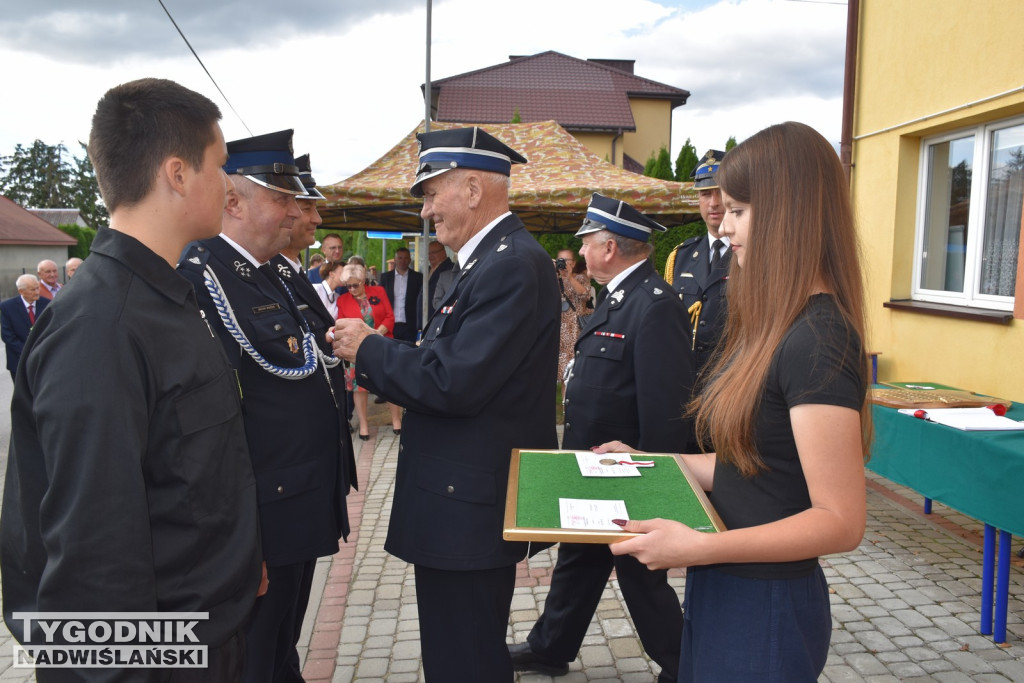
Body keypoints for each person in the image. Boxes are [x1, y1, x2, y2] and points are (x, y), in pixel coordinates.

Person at [1, 77, 262, 679]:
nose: (228, 187)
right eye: (220, 166)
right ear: (177, 173)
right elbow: (94, 549)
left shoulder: (162, 298)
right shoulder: (101, 326)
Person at [606, 122, 872, 682]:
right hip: (731, 583)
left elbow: (841, 520)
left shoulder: (819, 339)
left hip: (764, 603)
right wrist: (649, 462)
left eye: (738, 211)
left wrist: (696, 547)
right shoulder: (781, 327)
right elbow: (754, 468)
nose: (724, 229)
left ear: (788, 214)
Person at [332, 126, 559, 683]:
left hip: (470, 510)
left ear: (475, 189)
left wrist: (371, 348)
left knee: (466, 661)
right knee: (461, 652)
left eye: (433, 193)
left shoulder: (509, 264)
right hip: (462, 504)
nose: (428, 210)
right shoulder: (486, 263)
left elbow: (455, 380)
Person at [178, 129, 354, 683]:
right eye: (282, 199)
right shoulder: (200, 278)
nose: (295, 211)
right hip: (263, 509)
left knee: (281, 640)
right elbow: (209, 423)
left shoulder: (271, 272)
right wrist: (237, 534)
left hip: (297, 496)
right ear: (234, 201)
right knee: (254, 650)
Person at [511, 193, 692, 681]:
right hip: (593, 466)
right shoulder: (619, 299)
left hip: (625, 474)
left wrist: (655, 475)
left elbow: (666, 407)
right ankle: (550, 648)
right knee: (580, 556)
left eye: (587, 243)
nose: (583, 252)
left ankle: (684, 665)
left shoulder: (655, 306)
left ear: (609, 248)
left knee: (640, 574)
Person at [664, 149, 731, 451]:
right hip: (685, 396)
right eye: (705, 194)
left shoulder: (755, 257)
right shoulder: (681, 257)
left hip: (731, 395)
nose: (713, 203)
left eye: (720, 192)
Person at [336, 263, 402, 438]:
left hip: (381, 343)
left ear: (363, 281)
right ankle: (364, 426)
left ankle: (397, 421)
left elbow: (389, 316)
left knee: (389, 383)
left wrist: (375, 333)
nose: (351, 289)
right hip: (356, 350)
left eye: (355, 285)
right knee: (359, 388)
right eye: (348, 286)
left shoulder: (379, 292)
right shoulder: (342, 300)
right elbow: (342, 324)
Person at [554, 247, 590, 389]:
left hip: (576, 334)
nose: (562, 263)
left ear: (573, 263)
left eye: (566, 260)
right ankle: (565, 408)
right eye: (560, 260)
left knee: (576, 375)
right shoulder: (554, 279)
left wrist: (568, 277)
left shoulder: (580, 278)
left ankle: (574, 408)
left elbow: (585, 295)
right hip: (560, 336)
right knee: (563, 376)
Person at [0, 274, 48, 379]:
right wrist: (27, 352)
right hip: (18, 361)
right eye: (32, 289)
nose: (37, 292)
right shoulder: (7, 307)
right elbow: (7, 335)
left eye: (37, 288)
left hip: (42, 360)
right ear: (21, 291)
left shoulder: (47, 304)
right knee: (22, 394)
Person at [379, 246, 423, 343]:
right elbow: (380, 300)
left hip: (410, 324)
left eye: (406, 258)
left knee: (408, 352)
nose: (403, 261)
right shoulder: (385, 278)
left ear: (410, 260)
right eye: (400, 258)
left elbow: (421, 300)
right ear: (395, 259)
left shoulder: (418, 278)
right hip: (390, 324)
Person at [424, 239, 455, 318]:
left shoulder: (451, 270)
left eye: (433, 253)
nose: (430, 256)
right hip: (425, 320)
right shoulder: (427, 270)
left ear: (443, 252)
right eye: (428, 253)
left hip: (438, 318)